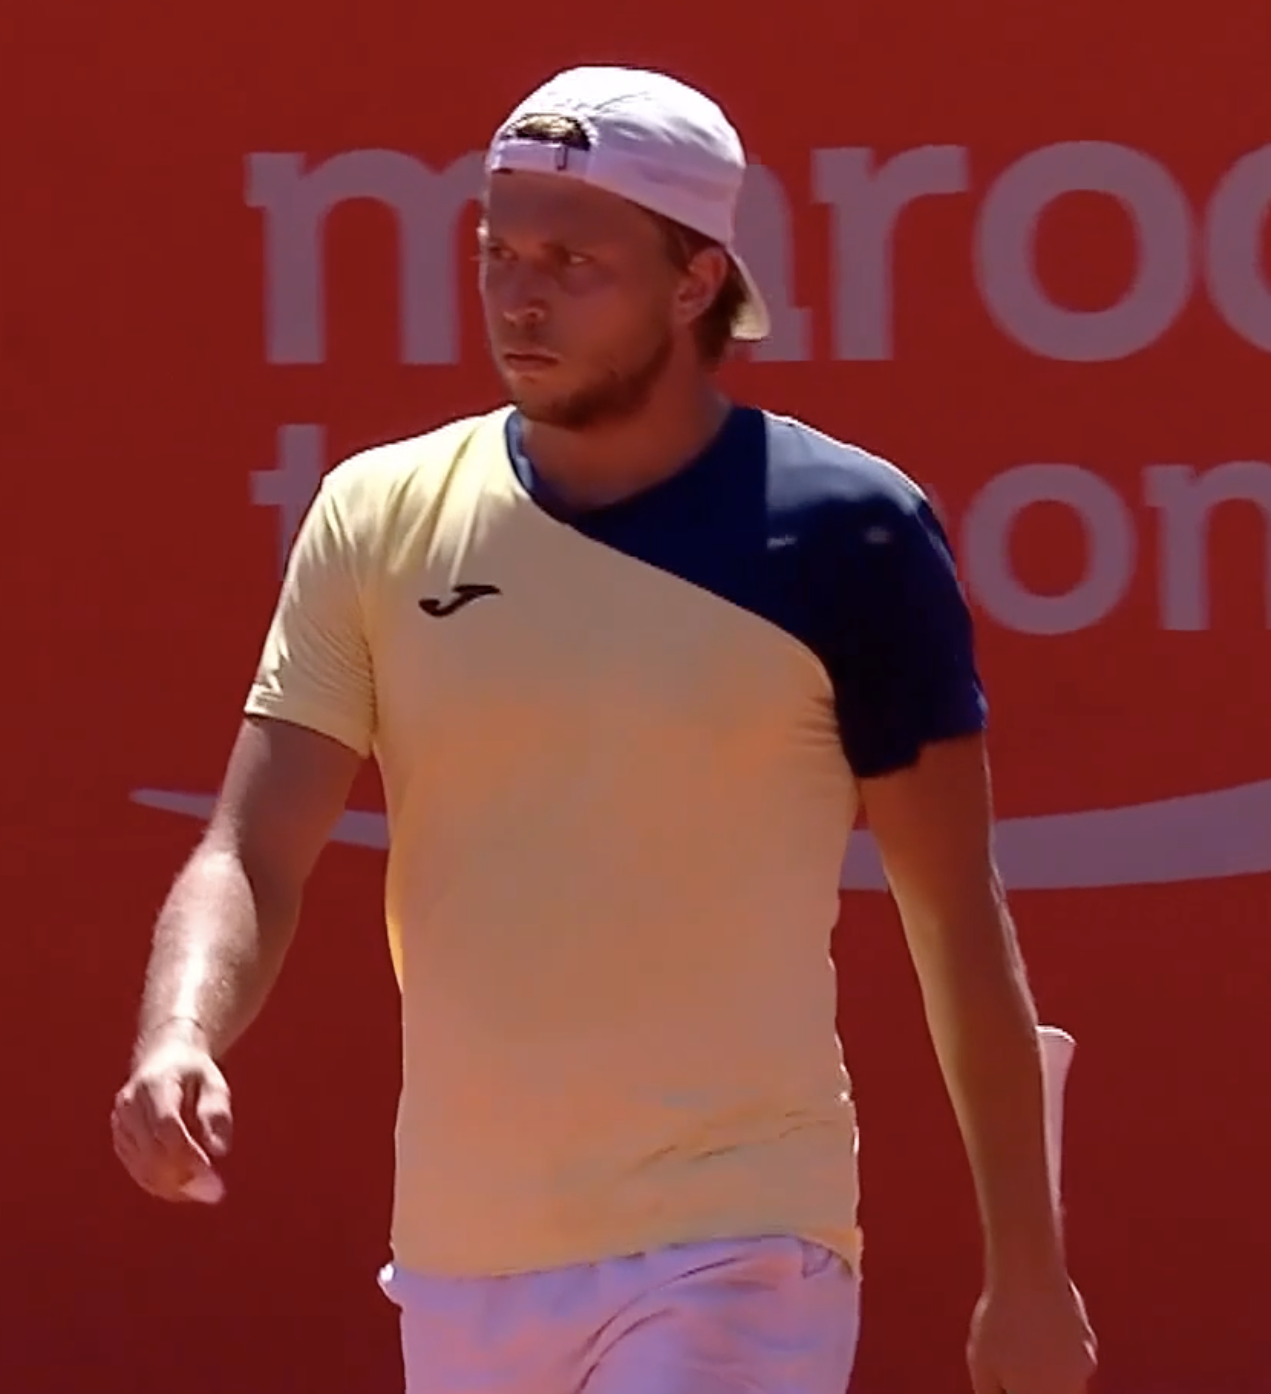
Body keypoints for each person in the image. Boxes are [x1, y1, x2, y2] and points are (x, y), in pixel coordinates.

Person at [110, 65, 1097, 1394]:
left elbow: (953, 918)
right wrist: (179, 1033)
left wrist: (1026, 1264)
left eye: (574, 261)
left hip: (739, 1243)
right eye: (498, 253)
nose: (521, 295)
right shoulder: (374, 515)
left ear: (696, 281)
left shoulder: (849, 533)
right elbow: (253, 849)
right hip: (463, 1259)